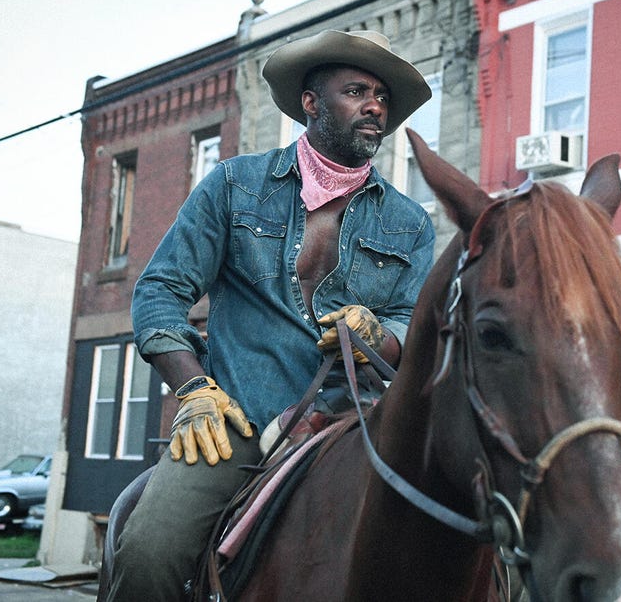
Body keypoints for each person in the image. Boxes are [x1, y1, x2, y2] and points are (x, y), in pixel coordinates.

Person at [104, 30, 435, 602]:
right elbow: (159, 291)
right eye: (357, 91)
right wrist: (194, 391)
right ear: (310, 102)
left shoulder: (411, 223)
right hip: (238, 422)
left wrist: (378, 334)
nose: (375, 107)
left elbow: (411, 326)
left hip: (355, 427)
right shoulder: (234, 186)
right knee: (149, 552)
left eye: (383, 98)